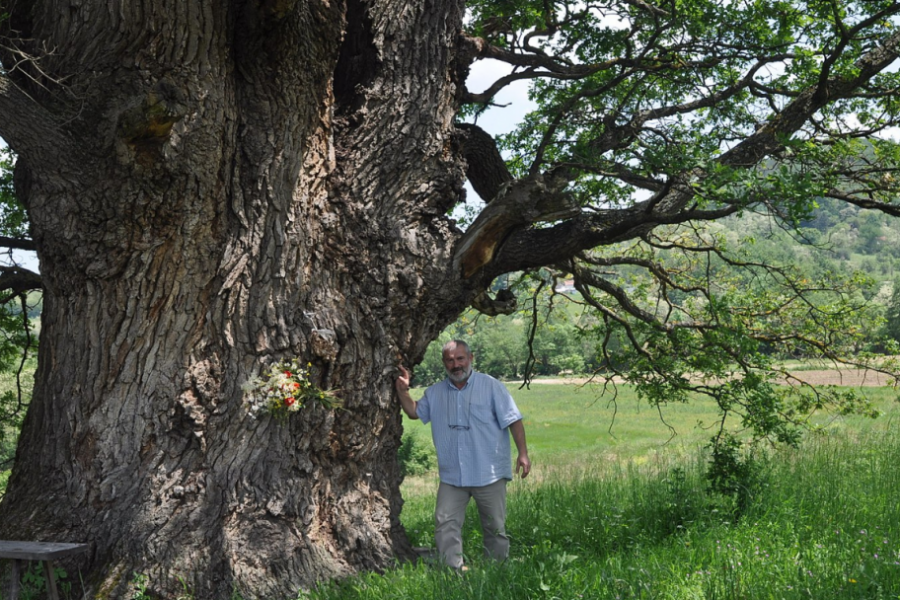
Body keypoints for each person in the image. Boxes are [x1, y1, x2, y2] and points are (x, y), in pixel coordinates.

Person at [395, 339, 531, 569]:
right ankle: (452, 571)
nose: (455, 364)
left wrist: (523, 454)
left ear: (470, 359)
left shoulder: (491, 386)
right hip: (452, 475)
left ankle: (496, 572)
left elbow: (513, 420)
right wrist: (403, 391)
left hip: (489, 472)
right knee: (445, 522)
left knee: (494, 526)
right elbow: (414, 412)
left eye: (460, 358)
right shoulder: (435, 392)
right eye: (450, 360)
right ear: (444, 363)